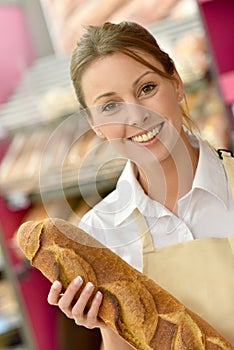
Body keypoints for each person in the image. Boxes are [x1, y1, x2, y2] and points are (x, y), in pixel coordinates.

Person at [47, 21, 234, 348]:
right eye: (110, 106)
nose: (135, 117)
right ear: (96, 125)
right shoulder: (99, 234)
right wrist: (107, 324)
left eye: (146, 89)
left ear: (175, 83)